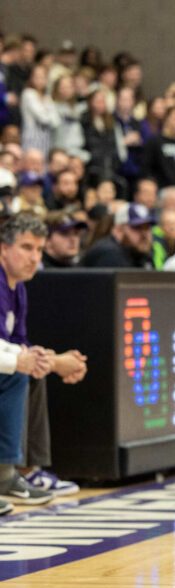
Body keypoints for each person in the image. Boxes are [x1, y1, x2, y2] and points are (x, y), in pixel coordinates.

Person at [0, 214, 87, 511]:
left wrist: (46, 360)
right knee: (18, 372)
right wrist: (52, 361)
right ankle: (6, 476)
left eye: (38, 249)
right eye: (26, 247)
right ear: (3, 249)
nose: (34, 257)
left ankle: (27, 471)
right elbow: (9, 352)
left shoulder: (18, 288)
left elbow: (17, 345)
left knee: (28, 369)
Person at [80, 202, 156, 268]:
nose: (144, 234)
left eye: (147, 228)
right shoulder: (108, 253)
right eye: (137, 228)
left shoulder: (143, 253)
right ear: (118, 230)